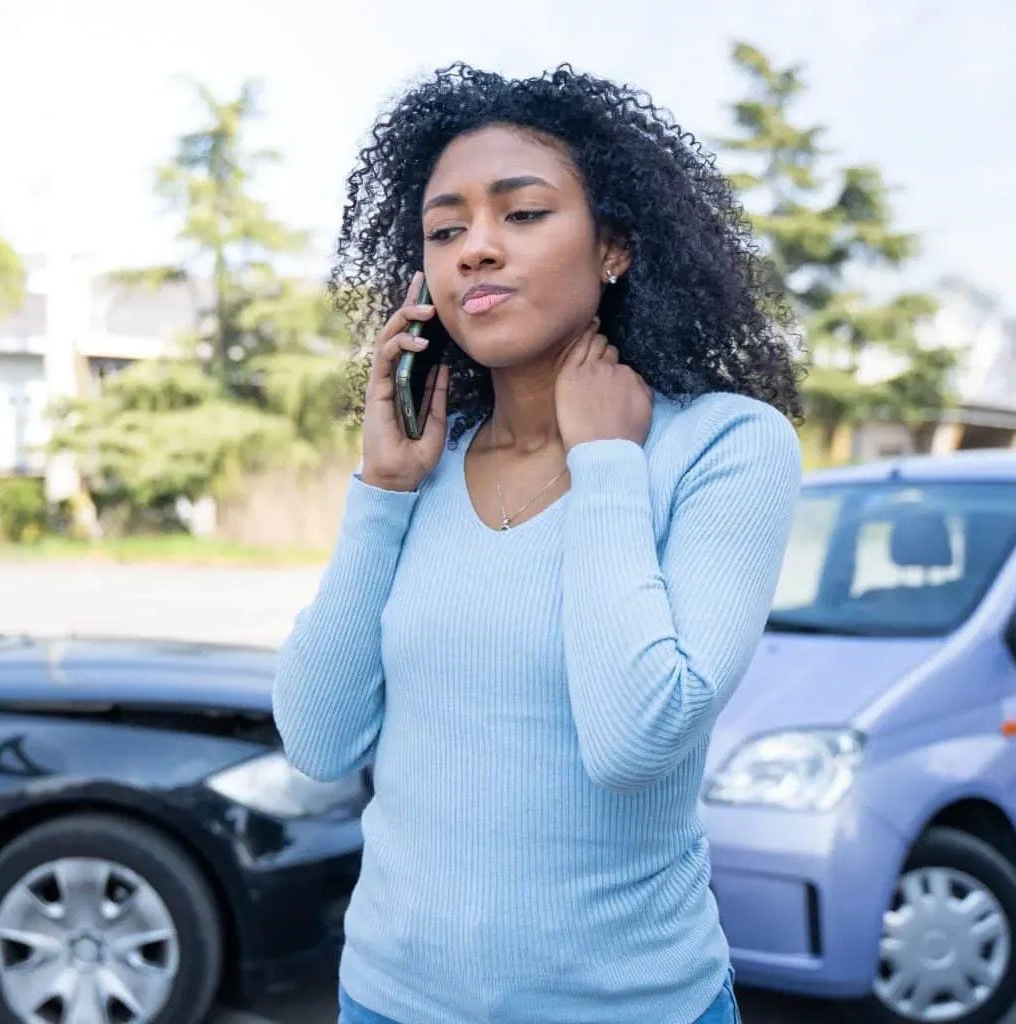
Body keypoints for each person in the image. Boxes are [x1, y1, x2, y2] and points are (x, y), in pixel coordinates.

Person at [272, 63, 805, 1024]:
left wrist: (606, 464)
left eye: (520, 215)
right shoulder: (418, 471)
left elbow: (636, 738)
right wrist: (382, 490)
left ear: (612, 247)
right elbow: (317, 737)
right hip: (391, 1001)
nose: (475, 249)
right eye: (446, 229)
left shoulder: (723, 446)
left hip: (632, 1008)